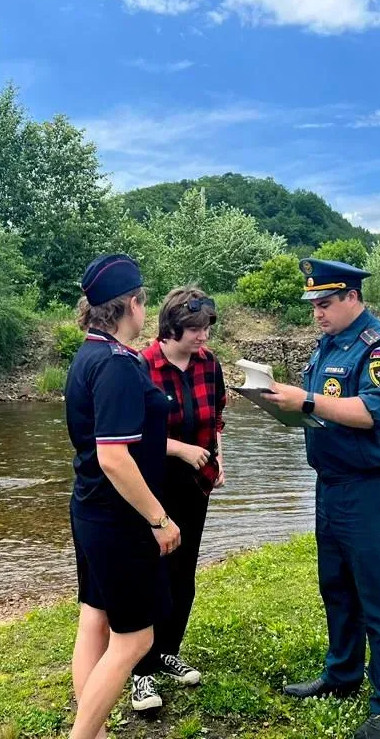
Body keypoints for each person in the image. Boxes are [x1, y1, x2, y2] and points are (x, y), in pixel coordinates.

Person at [264, 258, 380, 739]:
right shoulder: (328, 345)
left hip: (372, 487)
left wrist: (305, 402)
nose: (318, 314)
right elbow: (323, 408)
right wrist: (280, 405)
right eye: (313, 305)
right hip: (330, 484)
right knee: (336, 587)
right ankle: (342, 674)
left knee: (378, 596)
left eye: (326, 304)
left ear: (353, 297)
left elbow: (371, 411)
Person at [64, 253, 182, 739]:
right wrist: (159, 519)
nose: (145, 309)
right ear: (132, 304)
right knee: (134, 639)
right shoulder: (113, 365)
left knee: (94, 618)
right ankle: (83, 735)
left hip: (92, 509)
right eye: (143, 301)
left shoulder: (89, 354)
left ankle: (89, 728)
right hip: (118, 519)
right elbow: (114, 457)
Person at [129, 286, 227, 711]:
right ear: (170, 328)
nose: (202, 337)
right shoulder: (141, 366)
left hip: (195, 484)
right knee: (152, 574)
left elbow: (217, 417)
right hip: (152, 486)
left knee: (184, 572)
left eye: (206, 328)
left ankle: (169, 649)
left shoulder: (210, 364)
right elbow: (130, 434)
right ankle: (140, 672)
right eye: (194, 329)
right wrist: (181, 449)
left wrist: (219, 459)